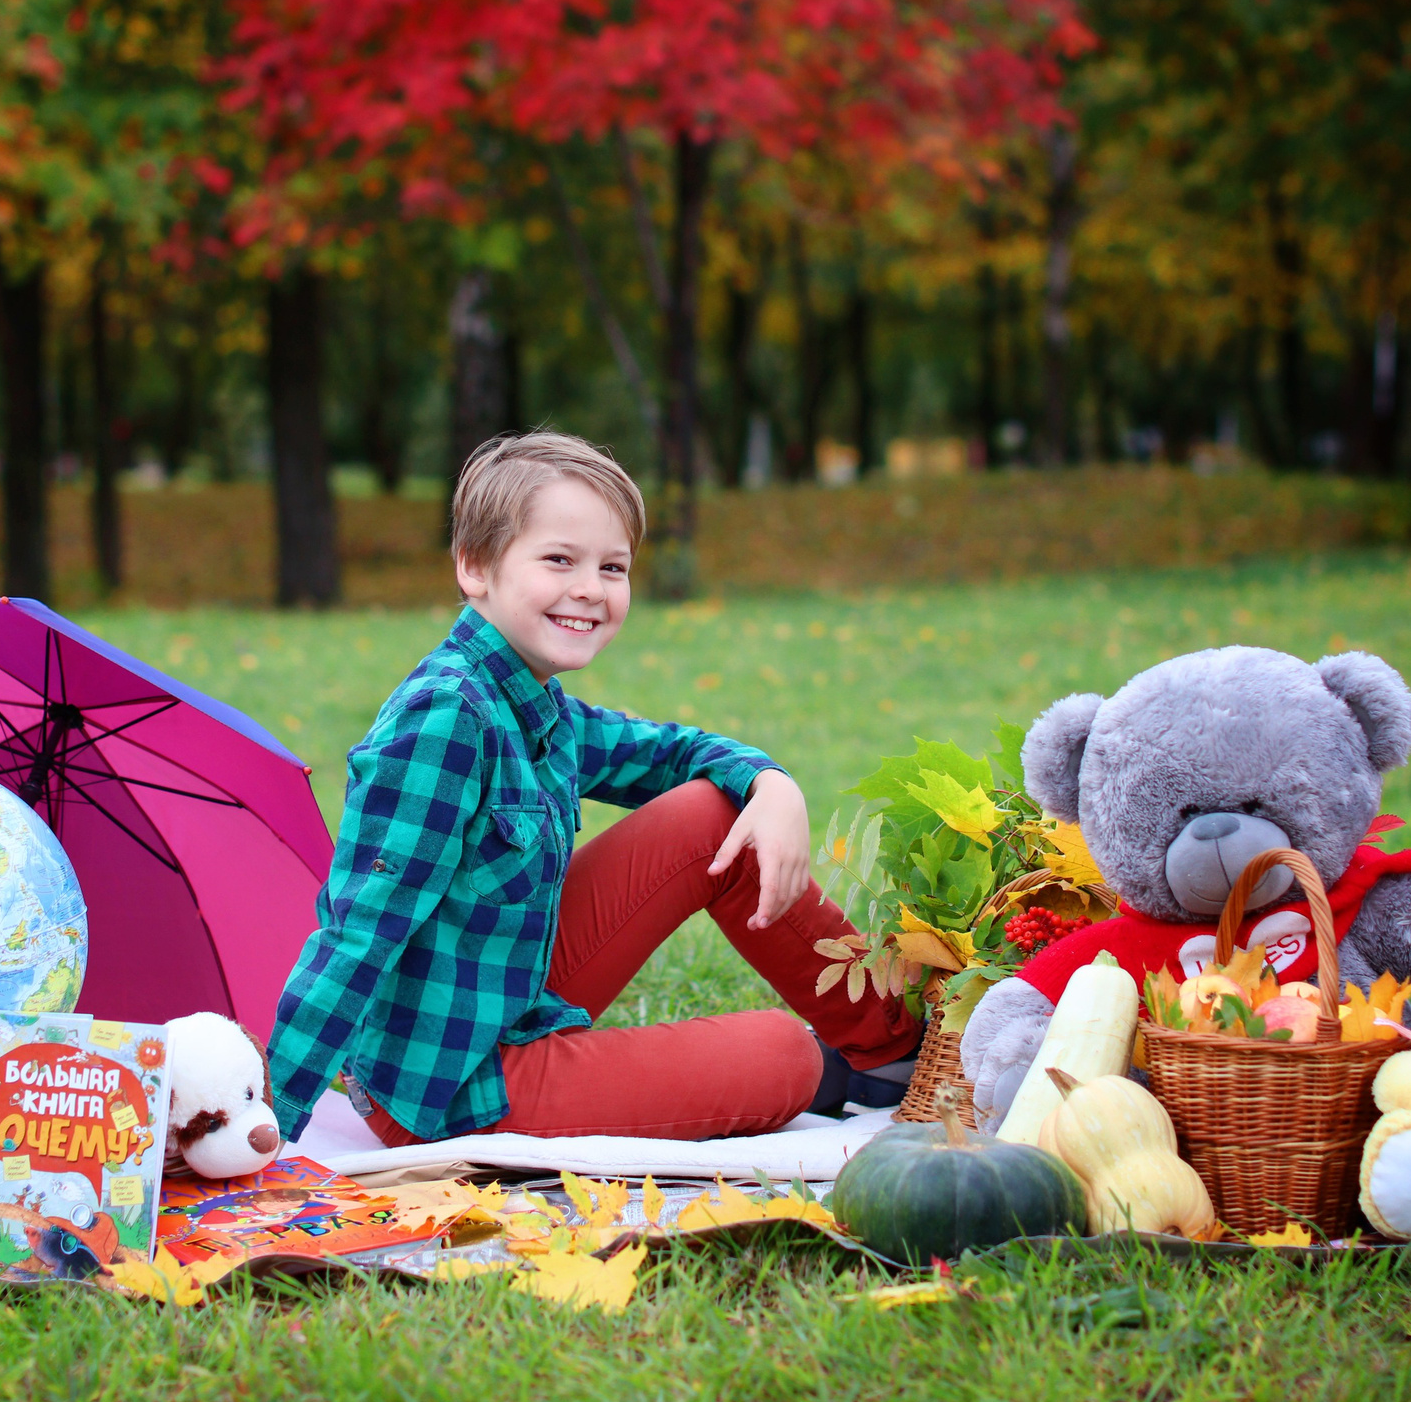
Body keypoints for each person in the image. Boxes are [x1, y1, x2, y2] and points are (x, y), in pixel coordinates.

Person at [264, 430, 920, 1148]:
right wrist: (270, 1114)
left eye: (613, 566)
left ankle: (896, 1049)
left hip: (511, 991)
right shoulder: (445, 718)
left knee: (713, 808)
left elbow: (675, 753)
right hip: (451, 1085)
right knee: (787, 1057)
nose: (590, 588)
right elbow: (362, 926)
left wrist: (774, 783)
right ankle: (846, 1065)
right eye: (559, 560)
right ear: (474, 566)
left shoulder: (532, 701)